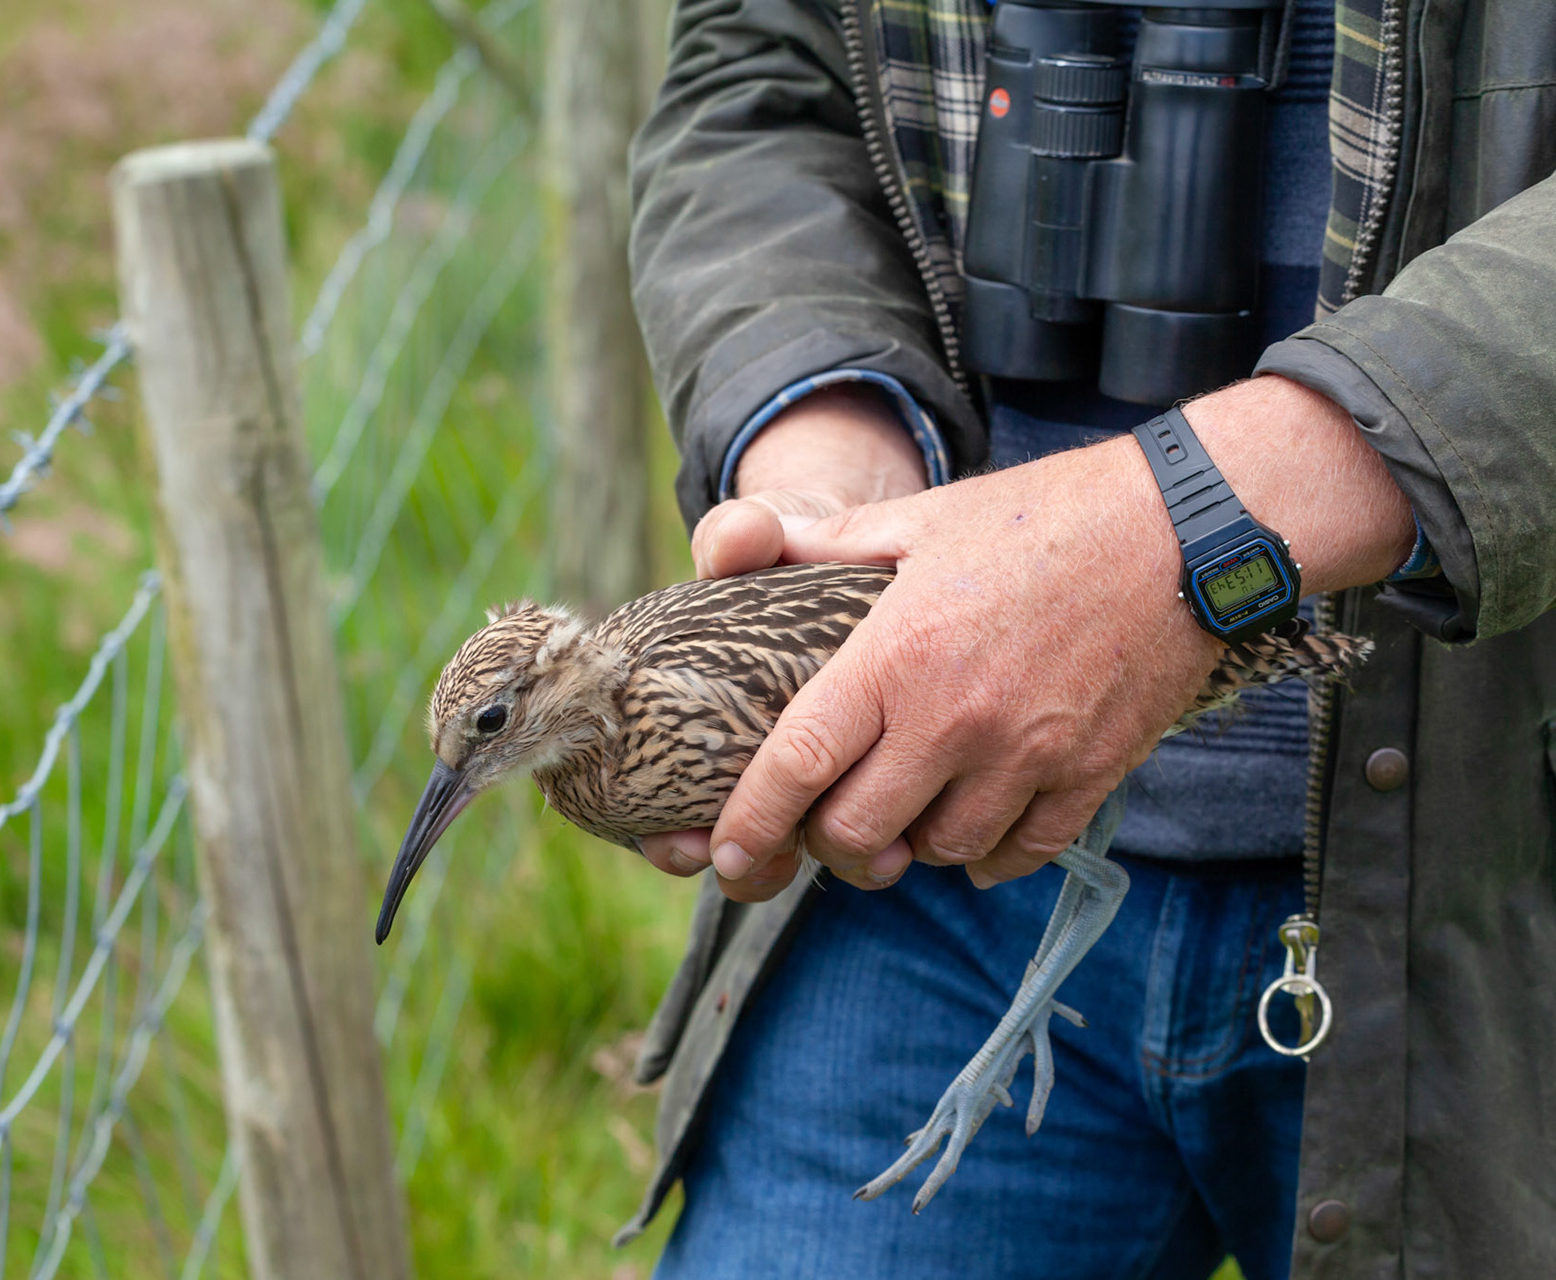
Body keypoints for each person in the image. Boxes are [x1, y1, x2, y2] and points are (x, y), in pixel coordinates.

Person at [613, 2, 1556, 1278]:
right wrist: (829, 434)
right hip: (927, 841)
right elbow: (765, 57)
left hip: (1493, 860)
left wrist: (1192, 530)